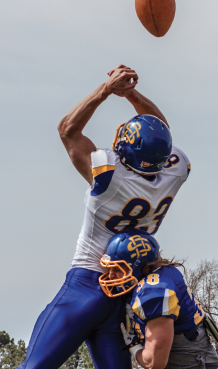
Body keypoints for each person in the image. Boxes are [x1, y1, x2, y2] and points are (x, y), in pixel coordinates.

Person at [18, 65, 190, 369]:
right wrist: (132, 95)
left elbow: (67, 130)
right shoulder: (175, 171)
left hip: (86, 286)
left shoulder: (109, 176)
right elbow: (160, 129)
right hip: (127, 295)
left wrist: (107, 90)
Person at [99, 230, 218, 369]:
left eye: (117, 268)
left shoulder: (154, 293)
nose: (111, 275)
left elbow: (154, 362)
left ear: (137, 266)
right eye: (109, 268)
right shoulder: (159, 273)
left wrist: (134, 347)